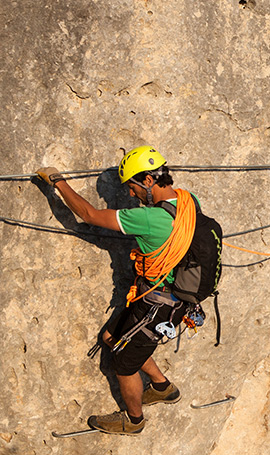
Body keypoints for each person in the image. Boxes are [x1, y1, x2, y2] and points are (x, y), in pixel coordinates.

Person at [36, 146, 196, 435]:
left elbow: (88, 214)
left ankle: (133, 421)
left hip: (157, 305)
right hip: (170, 298)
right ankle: (162, 387)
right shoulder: (188, 201)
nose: (131, 194)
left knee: (124, 364)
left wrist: (57, 181)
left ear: (148, 181)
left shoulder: (148, 218)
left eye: (132, 187)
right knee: (112, 336)